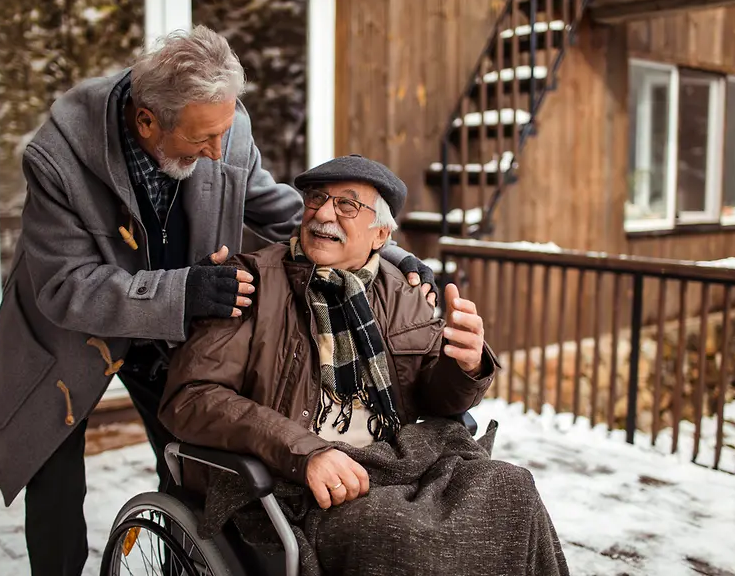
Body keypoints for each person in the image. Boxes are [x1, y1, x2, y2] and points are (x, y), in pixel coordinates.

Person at [0, 27, 436, 576]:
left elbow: (284, 211)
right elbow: (66, 286)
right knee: (54, 479)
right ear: (147, 121)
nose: (219, 152)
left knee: (188, 453)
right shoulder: (59, 156)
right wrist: (185, 289)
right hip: (70, 331)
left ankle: (180, 563)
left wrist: (388, 250)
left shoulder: (224, 123)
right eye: (202, 140)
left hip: (170, 326)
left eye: (224, 133)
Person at [160, 155, 570, 575]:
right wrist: (305, 452)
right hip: (292, 482)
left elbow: (435, 397)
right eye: (316, 198)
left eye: (347, 205)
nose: (323, 214)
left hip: (394, 463)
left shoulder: (403, 293)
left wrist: (464, 366)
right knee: (400, 534)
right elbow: (191, 398)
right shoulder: (251, 282)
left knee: (512, 488)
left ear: (380, 235)